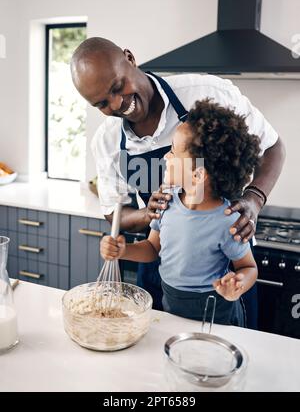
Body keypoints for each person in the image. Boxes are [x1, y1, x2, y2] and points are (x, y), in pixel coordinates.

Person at [71, 37, 285, 319]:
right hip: (161, 273)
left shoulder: (206, 92)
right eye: (101, 103)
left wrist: (254, 199)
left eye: (116, 87)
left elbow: (273, 147)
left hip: (222, 287)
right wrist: (148, 214)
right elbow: (116, 215)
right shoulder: (108, 141)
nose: (117, 104)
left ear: (129, 58)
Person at [100, 100, 259, 325]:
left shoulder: (228, 220)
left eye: (174, 152)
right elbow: (153, 248)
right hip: (172, 305)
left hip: (215, 312)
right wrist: (123, 251)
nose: (166, 157)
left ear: (197, 175)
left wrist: (238, 283)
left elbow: (248, 267)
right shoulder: (167, 201)